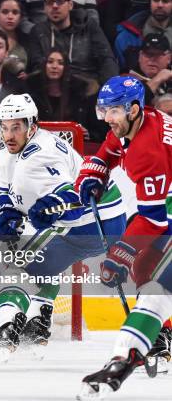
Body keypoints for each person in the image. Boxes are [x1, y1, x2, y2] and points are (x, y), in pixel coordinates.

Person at [0, 93, 126, 356]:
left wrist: (50, 206)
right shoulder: (13, 152)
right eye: (5, 127)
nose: (9, 135)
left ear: (32, 126)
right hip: (106, 221)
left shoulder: (38, 157)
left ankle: (5, 332)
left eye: (17, 127)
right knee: (46, 261)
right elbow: (6, 192)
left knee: (18, 268)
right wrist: (6, 211)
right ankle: (37, 323)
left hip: (91, 223)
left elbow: (74, 193)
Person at [75, 76, 171, 397]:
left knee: (155, 277)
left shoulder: (149, 150)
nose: (108, 119)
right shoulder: (138, 124)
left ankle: (151, 338)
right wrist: (94, 172)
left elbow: (154, 220)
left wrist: (120, 254)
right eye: (104, 111)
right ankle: (158, 336)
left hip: (165, 210)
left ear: (132, 109)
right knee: (147, 272)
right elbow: (109, 151)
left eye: (114, 111)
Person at [28, 0, 118, 85]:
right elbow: (38, 68)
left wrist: (109, 91)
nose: (54, 6)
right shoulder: (38, 32)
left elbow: (106, 60)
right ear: (44, 7)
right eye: (49, 2)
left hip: (89, 89)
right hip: (53, 90)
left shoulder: (89, 27)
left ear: (70, 5)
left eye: (60, 1)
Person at [26, 48, 105, 141]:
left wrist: (88, 133)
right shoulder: (33, 94)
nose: (54, 66)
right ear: (44, 65)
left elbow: (96, 131)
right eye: (50, 62)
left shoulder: (79, 95)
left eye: (60, 63)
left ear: (66, 67)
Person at [114, 0, 172, 72]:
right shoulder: (126, 36)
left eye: (165, 1)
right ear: (150, 2)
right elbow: (121, 71)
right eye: (156, 0)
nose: (160, 5)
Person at [127, 33, 172, 106]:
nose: (152, 60)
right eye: (148, 54)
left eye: (158, 55)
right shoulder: (126, 79)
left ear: (169, 58)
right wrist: (158, 79)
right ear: (140, 56)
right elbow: (130, 104)